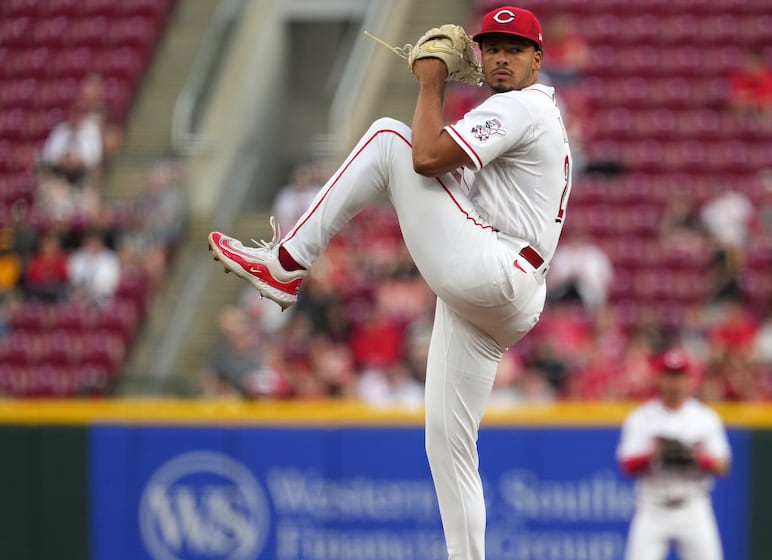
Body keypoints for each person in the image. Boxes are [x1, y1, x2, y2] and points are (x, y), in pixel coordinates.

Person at [207, 6, 570, 559]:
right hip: (506, 290)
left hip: (495, 268)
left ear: (537, 59)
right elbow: (444, 167)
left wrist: (430, 82)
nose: (501, 57)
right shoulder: (528, 112)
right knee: (448, 445)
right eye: (493, 47)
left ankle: (286, 261)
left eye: (515, 48)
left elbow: (423, 157)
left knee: (386, 137)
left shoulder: (522, 108)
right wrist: (440, 90)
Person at [617, 349, 731, 560]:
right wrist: (654, 453)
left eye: (679, 376)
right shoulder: (642, 417)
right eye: (669, 375)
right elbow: (626, 465)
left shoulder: (705, 418)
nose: (674, 382)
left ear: (689, 379)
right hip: (652, 508)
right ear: (659, 378)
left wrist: (696, 456)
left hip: (694, 507)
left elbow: (723, 466)